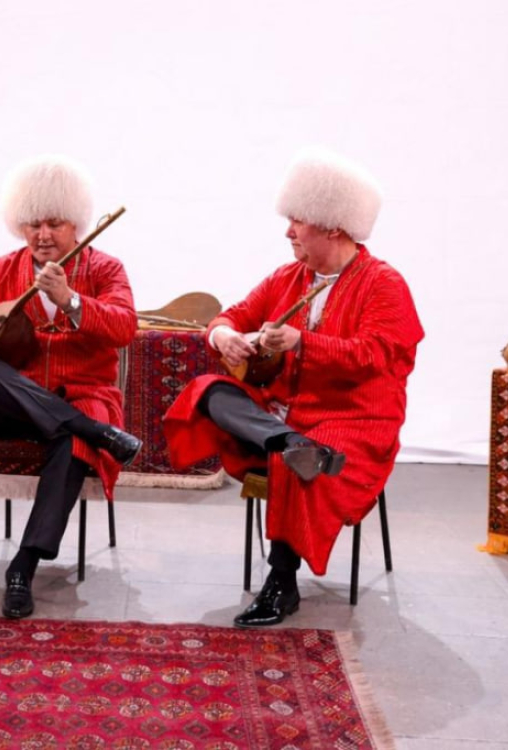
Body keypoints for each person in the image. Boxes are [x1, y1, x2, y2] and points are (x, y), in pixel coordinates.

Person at [163, 147, 423, 627]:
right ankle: (290, 441)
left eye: (297, 221)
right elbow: (230, 315)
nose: (288, 232)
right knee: (207, 389)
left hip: (355, 421)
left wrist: (305, 342)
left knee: (294, 464)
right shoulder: (286, 277)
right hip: (285, 419)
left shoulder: (384, 283)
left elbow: (377, 354)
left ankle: (282, 583)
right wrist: (224, 336)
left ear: (333, 226)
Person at [0, 154, 142, 619]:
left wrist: (70, 300)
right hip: (16, 405)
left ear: (76, 224)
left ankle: (23, 566)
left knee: (72, 443)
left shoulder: (106, 268)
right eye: (34, 224)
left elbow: (125, 327)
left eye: (54, 223)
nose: (43, 234)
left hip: (84, 398)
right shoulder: (1, 269)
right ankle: (98, 433)